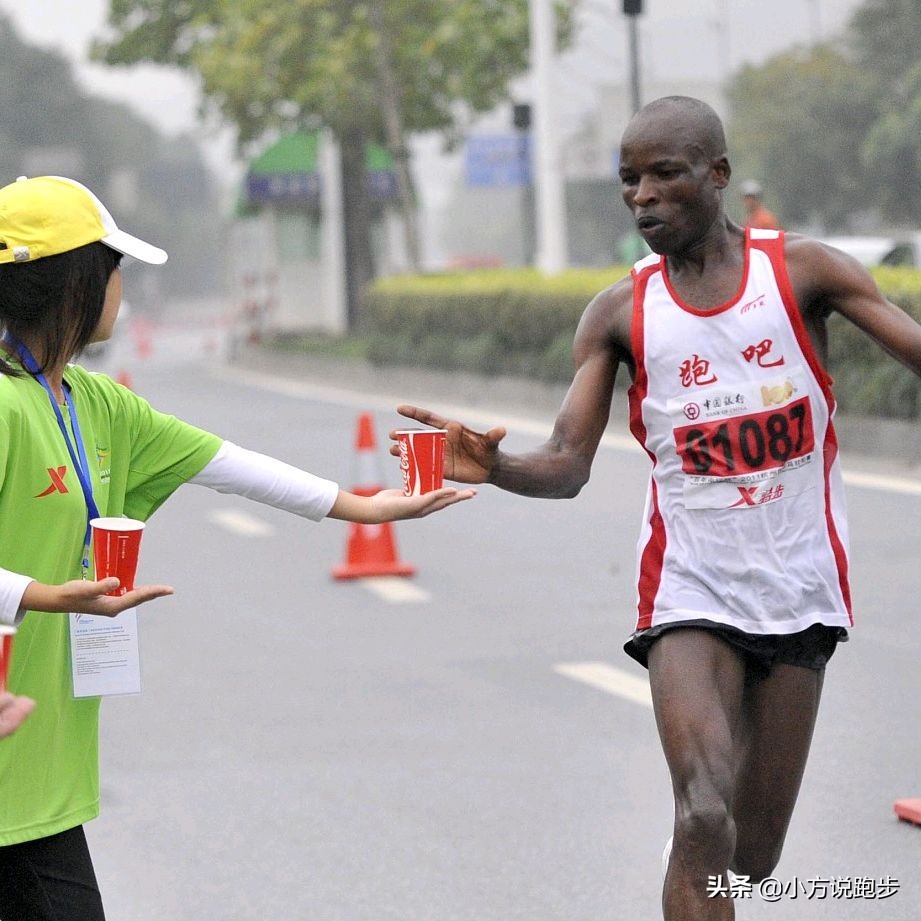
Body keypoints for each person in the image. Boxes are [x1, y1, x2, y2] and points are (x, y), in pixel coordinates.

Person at [392, 96, 921, 920]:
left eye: (663, 174)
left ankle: (698, 866)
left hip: (801, 587)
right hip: (689, 589)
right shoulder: (618, 314)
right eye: (628, 179)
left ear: (716, 175)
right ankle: (690, 848)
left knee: (746, 853)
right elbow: (567, 465)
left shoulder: (802, 274)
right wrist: (494, 467)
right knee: (701, 808)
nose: (641, 195)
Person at [0, 174, 475, 921]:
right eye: (114, 269)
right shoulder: (2, 406)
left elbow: (226, 464)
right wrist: (46, 595)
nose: (122, 287)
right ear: (76, 283)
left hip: (40, 766)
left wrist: (361, 506)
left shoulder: (93, 402)